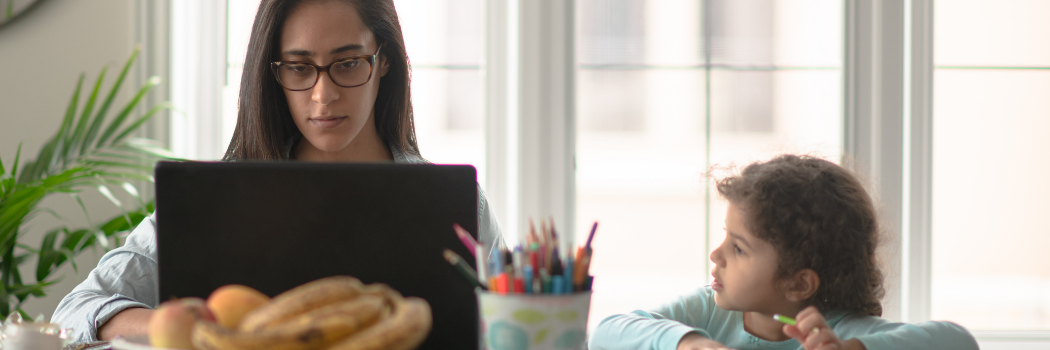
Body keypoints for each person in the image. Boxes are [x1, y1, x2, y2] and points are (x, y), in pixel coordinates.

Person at [51, 0, 503, 342]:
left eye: (347, 63)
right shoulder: (219, 197)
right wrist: (179, 332)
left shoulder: (457, 203)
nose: (323, 95)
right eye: (300, 67)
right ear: (273, 73)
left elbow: (521, 323)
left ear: (384, 60)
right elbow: (76, 309)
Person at [589, 155, 977, 350]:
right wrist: (689, 343)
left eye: (738, 248)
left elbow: (957, 341)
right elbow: (607, 332)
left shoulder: (836, 331)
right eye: (726, 238)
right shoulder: (706, 311)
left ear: (798, 283)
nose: (716, 255)